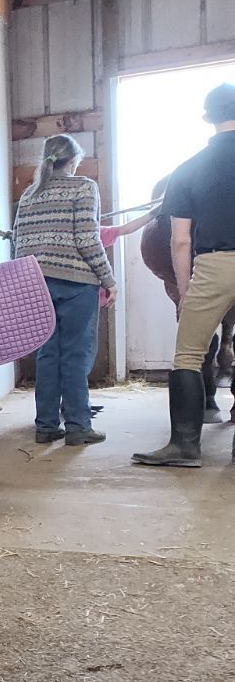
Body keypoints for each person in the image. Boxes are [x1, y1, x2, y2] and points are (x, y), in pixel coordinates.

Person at [134, 83, 235, 468]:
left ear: (207, 118)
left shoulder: (188, 169)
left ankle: (185, 446)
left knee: (188, 356)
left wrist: (185, 287)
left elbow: (179, 240)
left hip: (213, 264)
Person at [12, 133, 115, 446]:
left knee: (47, 354)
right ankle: (78, 426)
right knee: (75, 354)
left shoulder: (30, 194)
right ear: (73, 160)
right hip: (76, 282)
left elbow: (19, 241)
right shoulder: (84, 187)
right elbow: (87, 239)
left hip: (37, 283)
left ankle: (45, 425)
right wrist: (108, 278)